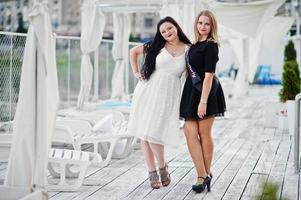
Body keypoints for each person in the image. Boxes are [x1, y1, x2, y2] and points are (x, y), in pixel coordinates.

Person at [127, 16, 191, 189]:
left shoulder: (189, 49)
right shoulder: (157, 45)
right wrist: (135, 72)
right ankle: (153, 171)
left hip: (169, 94)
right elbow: (133, 51)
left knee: (155, 132)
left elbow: (189, 76)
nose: (167, 33)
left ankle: (162, 166)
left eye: (169, 28)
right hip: (147, 90)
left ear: (176, 27)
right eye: (163, 31)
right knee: (145, 133)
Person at [180, 10, 226, 193]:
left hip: (206, 93)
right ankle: (204, 173)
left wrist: (203, 102)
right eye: (200, 23)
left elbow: (208, 76)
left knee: (204, 133)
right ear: (196, 24)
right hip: (191, 91)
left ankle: (202, 176)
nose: (203, 26)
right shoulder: (193, 45)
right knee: (189, 132)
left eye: (206, 24)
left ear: (212, 26)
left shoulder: (211, 46)